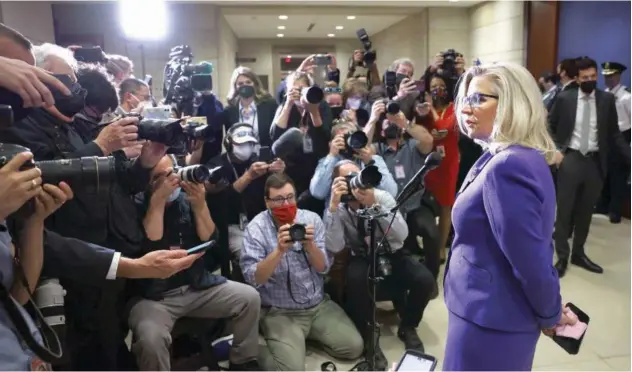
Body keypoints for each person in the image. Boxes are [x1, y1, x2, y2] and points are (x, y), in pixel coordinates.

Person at [443, 62, 578, 371]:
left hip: (490, 318)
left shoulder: (508, 166)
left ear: (512, 104)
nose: (467, 106)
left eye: (479, 98)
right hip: (482, 308)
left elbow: (530, 258)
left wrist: (551, 312)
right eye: (465, 97)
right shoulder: (503, 156)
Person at [130, 155, 261, 371]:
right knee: (150, 339)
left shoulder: (185, 199)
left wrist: (200, 206)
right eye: (160, 177)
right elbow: (152, 245)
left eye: (172, 172)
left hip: (196, 285)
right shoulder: (136, 203)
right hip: (154, 297)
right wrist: (158, 202)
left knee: (249, 298)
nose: (169, 180)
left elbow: (210, 240)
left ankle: (242, 361)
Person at [240, 173, 363, 371]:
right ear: (267, 202)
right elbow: (254, 279)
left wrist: (311, 246)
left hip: (317, 305)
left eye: (290, 197)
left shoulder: (311, 219)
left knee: (354, 348)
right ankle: (251, 349)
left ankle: (300, 340)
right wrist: (279, 251)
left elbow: (324, 268)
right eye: (278, 199)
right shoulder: (256, 229)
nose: (286, 203)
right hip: (280, 312)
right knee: (291, 370)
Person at [326, 161, 435, 369]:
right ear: (337, 183)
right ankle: (369, 339)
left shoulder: (380, 196)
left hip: (392, 251)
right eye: (348, 179)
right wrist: (332, 207)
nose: (355, 184)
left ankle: (408, 326)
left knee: (425, 280)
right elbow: (334, 245)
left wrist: (375, 206)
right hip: (362, 255)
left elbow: (402, 236)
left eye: (357, 176)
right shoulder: (337, 207)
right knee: (356, 281)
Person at [549, 57, 630, 277]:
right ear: (577, 78)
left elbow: (614, 133)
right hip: (571, 159)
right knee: (564, 212)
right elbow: (549, 125)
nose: (590, 80)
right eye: (585, 78)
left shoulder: (606, 100)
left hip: (595, 162)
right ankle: (562, 257)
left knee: (586, 212)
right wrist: (557, 150)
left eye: (593, 77)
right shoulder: (565, 98)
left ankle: (579, 253)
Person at [205, 123, 285, 280]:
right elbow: (220, 203)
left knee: (281, 249)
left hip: (259, 221)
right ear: (229, 143)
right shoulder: (216, 166)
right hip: (229, 226)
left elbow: (276, 192)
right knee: (249, 254)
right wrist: (248, 177)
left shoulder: (259, 161)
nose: (246, 148)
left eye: (250, 143)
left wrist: (279, 173)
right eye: (241, 144)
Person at [270, 70, 332, 197]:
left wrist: (313, 111)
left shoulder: (321, 105)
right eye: (294, 89)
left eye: (301, 89)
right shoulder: (285, 106)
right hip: (291, 166)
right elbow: (275, 135)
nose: (298, 92)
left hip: (315, 163)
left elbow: (324, 136)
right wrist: (288, 104)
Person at [309, 119, 398, 205]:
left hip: (368, 213)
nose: (348, 143)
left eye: (351, 138)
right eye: (342, 139)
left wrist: (370, 163)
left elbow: (391, 192)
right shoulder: (327, 162)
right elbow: (317, 193)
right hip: (337, 214)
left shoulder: (373, 159)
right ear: (331, 143)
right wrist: (331, 156)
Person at [598, 61, 631, 223]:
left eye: (611, 76)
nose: (608, 79)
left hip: (622, 138)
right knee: (606, 172)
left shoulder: (626, 97)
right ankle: (603, 205)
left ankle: (615, 211)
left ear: (618, 76)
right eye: (606, 76)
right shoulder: (604, 94)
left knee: (618, 176)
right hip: (606, 138)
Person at [223, 67, 279, 149]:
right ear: (235, 87)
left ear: (255, 84)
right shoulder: (229, 110)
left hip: (265, 156)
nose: (244, 86)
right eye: (240, 84)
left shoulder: (270, 105)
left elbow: (275, 134)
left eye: (248, 82)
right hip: (239, 157)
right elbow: (230, 139)